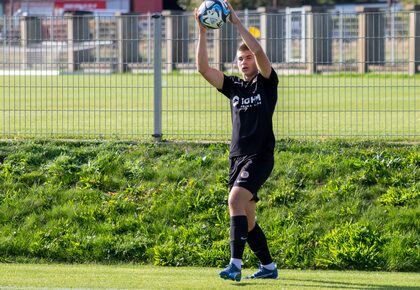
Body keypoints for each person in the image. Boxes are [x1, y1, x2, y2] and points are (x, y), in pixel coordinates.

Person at [195, 0, 279, 282]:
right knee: (248, 218)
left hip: (260, 156)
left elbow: (257, 49)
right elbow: (203, 69)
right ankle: (268, 267)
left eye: (248, 59)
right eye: (240, 59)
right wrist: (203, 32)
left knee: (234, 200)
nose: (244, 61)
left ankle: (235, 264)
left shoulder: (266, 82)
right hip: (237, 157)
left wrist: (235, 21)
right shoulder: (234, 86)